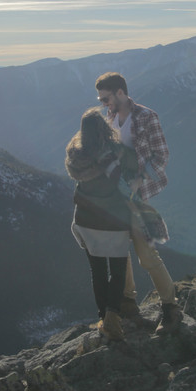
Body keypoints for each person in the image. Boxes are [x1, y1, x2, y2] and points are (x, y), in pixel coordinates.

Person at [95, 72, 182, 334]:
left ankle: (171, 308)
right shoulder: (109, 118)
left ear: (120, 92)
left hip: (136, 197)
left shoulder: (146, 117)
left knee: (146, 255)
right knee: (120, 253)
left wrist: (139, 180)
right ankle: (129, 305)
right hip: (115, 198)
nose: (103, 104)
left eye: (106, 98)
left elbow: (162, 156)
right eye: (100, 100)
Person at [65, 108, 136, 340]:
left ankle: (103, 318)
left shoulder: (76, 156)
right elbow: (124, 187)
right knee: (117, 272)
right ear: (103, 128)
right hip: (111, 222)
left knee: (97, 271)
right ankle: (113, 320)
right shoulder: (110, 154)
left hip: (85, 221)